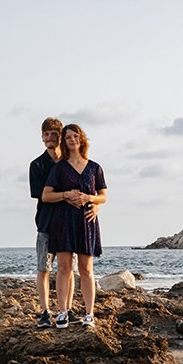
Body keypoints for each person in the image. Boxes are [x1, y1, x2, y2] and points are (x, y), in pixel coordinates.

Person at [41, 124, 107, 329]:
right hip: (63, 221)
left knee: (86, 269)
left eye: (75, 136)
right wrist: (65, 195)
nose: (72, 140)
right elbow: (45, 196)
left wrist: (91, 199)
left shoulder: (94, 167)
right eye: (68, 137)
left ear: (82, 139)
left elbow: (103, 196)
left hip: (87, 221)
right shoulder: (59, 168)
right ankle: (63, 312)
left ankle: (89, 314)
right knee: (64, 267)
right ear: (64, 141)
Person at [28, 117, 73, 328]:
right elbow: (42, 195)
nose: (49, 138)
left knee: (67, 269)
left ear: (60, 136)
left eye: (53, 134)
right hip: (46, 223)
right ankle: (45, 312)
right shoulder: (36, 165)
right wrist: (65, 194)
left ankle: (68, 309)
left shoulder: (71, 161)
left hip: (68, 223)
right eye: (45, 134)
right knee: (43, 269)